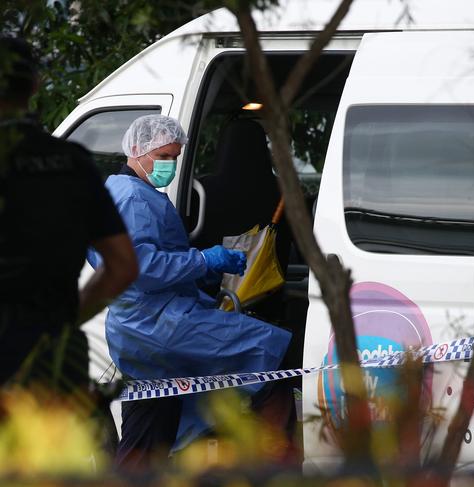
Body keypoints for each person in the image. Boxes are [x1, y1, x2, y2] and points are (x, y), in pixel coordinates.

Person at [87, 114, 292, 470]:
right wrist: (204, 261)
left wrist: (199, 278)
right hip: (159, 324)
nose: (170, 165)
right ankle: (273, 466)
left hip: (140, 326)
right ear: (137, 150)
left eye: (174, 158)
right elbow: (142, 268)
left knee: (151, 426)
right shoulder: (135, 199)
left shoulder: (120, 191)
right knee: (271, 354)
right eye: (164, 156)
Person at [0, 36, 138, 391]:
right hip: (55, 364)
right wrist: (61, 325)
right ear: (35, 84)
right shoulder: (73, 162)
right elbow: (123, 266)